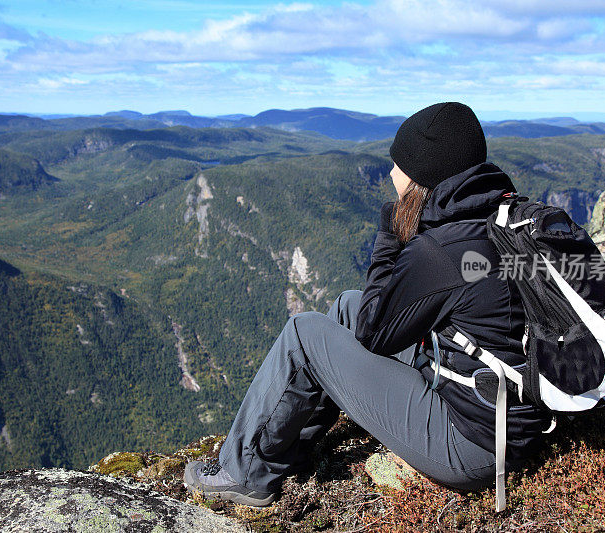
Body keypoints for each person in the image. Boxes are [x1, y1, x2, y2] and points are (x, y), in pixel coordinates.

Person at [184, 102, 554, 507]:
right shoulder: (497, 218)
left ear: (422, 175)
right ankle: (291, 447)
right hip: (508, 407)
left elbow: (374, 334)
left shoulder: (443, 250)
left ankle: (245, 472)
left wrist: (390, 234)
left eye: (399, 165)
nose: (392, 173)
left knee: (304, 334)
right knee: (347, 306)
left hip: (473, 441)